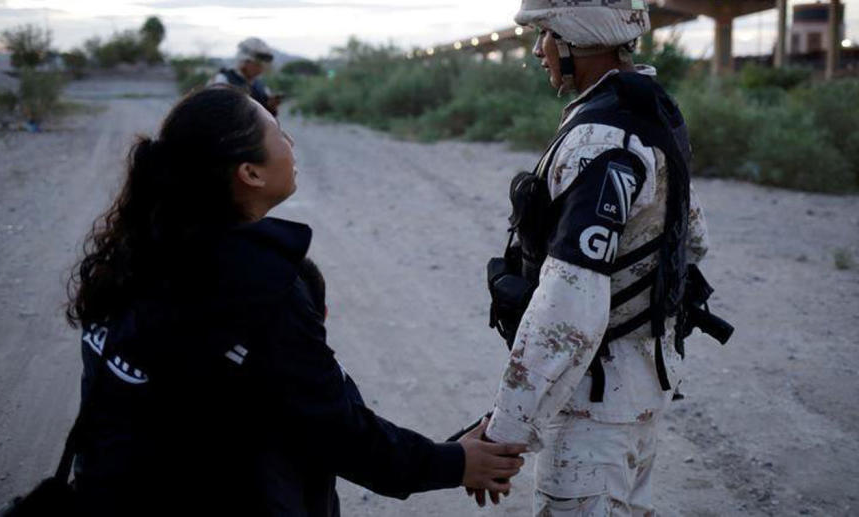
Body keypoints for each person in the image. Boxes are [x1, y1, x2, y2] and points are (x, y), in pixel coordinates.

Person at [66, 86, 526, 516]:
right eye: (279, 133)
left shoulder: (136, 257)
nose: (290, 142)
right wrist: (454, 463)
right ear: (250, 173)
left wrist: (447, 454)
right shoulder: (255, 288)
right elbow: (334, 430)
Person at [476, 0, 711, 514]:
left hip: (593, 400)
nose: (539, 51)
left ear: (574, 39)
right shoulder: (654, 111)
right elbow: (693, 239)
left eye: (544, 36)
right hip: (641, 380)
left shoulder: (598, 138)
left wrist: (504, 429)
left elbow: (568, 309)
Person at [209, 37, 282, 116]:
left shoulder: (261, 86)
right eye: (256, 64)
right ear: (244, 61)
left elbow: (266, 116)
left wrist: (270, 107)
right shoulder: (222, 80)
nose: (260, 68)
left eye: (262, 65)